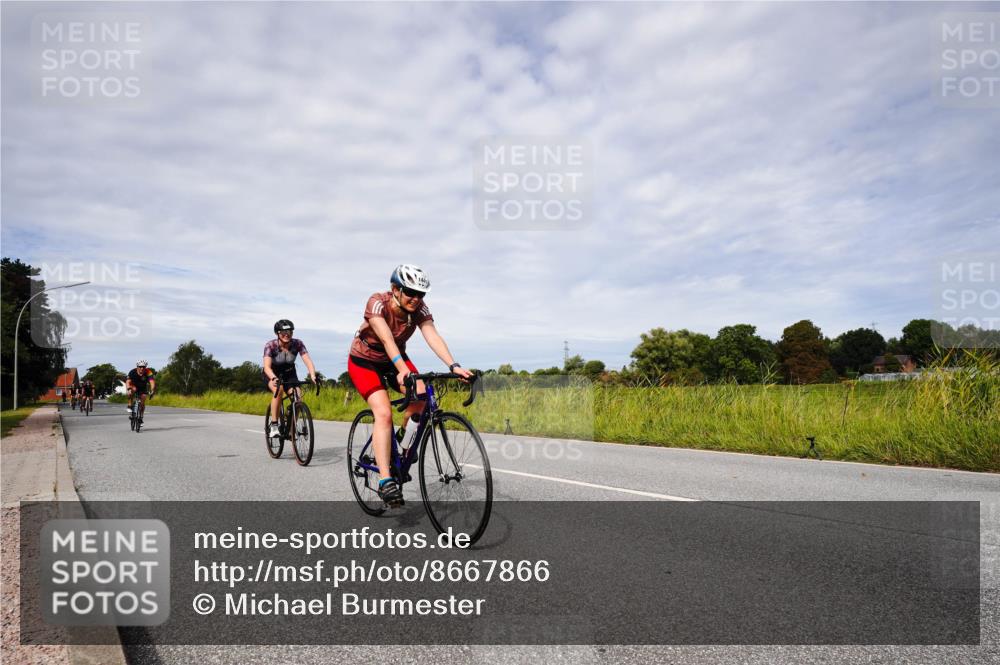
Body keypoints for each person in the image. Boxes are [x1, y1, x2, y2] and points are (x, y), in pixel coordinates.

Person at [347, 264, 471, 507]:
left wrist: (453, 365)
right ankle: (385, 480)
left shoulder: (419, 310)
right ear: (395, 289)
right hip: (365, 361)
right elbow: (386, 339)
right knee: (383, 412)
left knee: (423, 394)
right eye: (410, 292)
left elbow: (432, 335)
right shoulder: (377, 303)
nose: (416, 299)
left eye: (421, 294)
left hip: (394, 359)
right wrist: (403, 371)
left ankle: (403, 442)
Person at [263, 320, 318, 439]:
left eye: (289, 332)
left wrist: (313, 375)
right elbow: (266, 367)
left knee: (298, 395)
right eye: (283, 332)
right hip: (272, 373)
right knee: (279, 389)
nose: (287, 334)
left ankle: (291, 428)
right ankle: (274, 425)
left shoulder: (297, 344)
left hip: (289, 373)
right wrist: (273, 377)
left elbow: (307, 360)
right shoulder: (271, 345)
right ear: (277, 333)